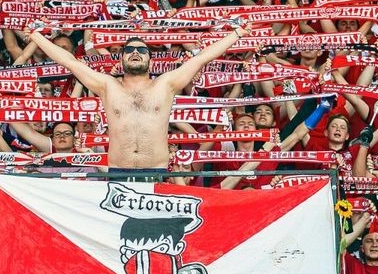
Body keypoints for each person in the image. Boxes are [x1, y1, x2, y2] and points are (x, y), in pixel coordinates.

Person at [26, 27, 250, 170]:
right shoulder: (107, 85)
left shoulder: (166, 84)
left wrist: (237, 34)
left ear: (150, 61)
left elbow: (202, 58)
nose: (135, 52)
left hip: (157, 173)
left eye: (142, 50)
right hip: (117, 174)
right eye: (130, 49)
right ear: (121, 59)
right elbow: (70, 62)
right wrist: (36, 35)